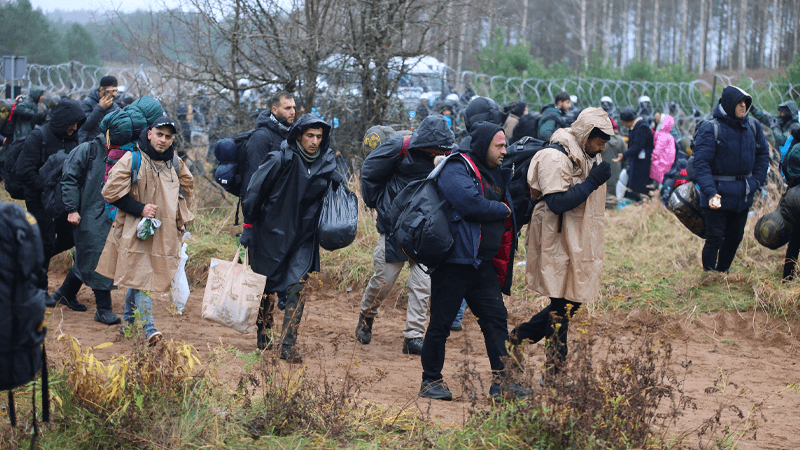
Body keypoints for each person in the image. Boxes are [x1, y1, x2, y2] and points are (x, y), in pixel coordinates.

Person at [419, 121, 524, 401]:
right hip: (455, 262)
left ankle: (503, 382)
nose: (505, 150)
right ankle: (430, 381)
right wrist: (501, 209)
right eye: (499, 145)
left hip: (482, 264)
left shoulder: (495, 173)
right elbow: (469, 203)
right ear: (483, 145)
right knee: (441, 324)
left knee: (496, 321)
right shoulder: (456, 167)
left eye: (505, 144)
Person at [511, 107, 614, 380]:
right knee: (562, 306)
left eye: (605, 141)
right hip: (554, 239)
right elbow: (556, 203)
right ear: (585, 134)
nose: (602, 146)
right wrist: (593, 181)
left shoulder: (587, 154)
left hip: (577, 238)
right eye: (599, 140)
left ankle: (521, 340)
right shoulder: (554, 157)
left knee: (571, 302)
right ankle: (553, 368)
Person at [240, 113, 344, 362]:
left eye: (319, 136)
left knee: (297, 287)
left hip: (303, 237)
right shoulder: (280, 158)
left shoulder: (326, 163)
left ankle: (288, 345)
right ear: (299, 135)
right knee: (267, 287)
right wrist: (248, 226)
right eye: (310, 135)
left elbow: (334, 193)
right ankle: (263, 335)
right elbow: (254, 192)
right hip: (271, 233)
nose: (315, 141)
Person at [357, 115, 455, 355]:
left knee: (422, 285)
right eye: (438, 147)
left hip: (425, 230)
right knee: (384, 280)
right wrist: (378, 204)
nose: (441, 150)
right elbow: (369, 169)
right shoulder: (399, 146)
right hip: (394, 228)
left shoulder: (447, 156)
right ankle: (366, 316)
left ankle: (413, 336)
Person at [96, 117, 194, 345]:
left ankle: (128, 325)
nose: (163, 140)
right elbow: (110, 193)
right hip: (135, 230)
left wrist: (181, 223)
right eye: (159, 134)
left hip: (164, 232)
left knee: (139, 276)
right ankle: (149, 328)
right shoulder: (133, 158)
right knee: (143, 276)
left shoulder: (176, 164)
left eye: (168, 137)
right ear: (149, 134)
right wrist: (140, 208)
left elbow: (186, 193)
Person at [58, 114, 132, 326]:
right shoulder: (87, 150)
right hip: (89, 213)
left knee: (88, 256)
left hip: (111, 213)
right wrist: (72, 209)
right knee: (99, 256)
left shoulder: (125, 153)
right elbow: (69, 179)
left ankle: (65, 293)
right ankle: (103, 309)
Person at [15, 98, 86, 308]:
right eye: (72, 123)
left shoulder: (73, 137)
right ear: (63, 119)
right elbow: (24, 171)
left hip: (62, 199)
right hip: (38, 198)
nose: (75, 127)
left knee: (69, 237)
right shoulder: (38, 136)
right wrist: (45, 189)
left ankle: (30, 258)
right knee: (45, 240)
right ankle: (40, 289)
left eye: (77, 124)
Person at [693, 86, 769, 273]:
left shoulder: (753, 126)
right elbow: (701, 164)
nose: (744, 106)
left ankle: (723, 272)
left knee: (735, 237)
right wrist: (710, 192)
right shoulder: (710, 128)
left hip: (743, 193)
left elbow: (763, 155)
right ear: (729, 103)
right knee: (715, 238)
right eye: (739, 102)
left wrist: (756, 182)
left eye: (746, 102)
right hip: (717, 194)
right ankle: (710, 276)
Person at [240, 91, 296, 197]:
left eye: (293, 107)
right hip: (265, 205)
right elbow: (253, 177)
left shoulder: (293, 134)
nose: (292, 112)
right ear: (274, 110)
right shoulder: (261, 137)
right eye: (287, 108)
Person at [614, 107, 654, 201]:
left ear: (628, 121)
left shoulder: (641, 127)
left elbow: (637, 146)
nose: (624, 124)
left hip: (641, 165)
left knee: (637, 188)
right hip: (637, 162)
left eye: (624, 122)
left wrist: (624, 155)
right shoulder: (636, 126)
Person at [79, 76, 120, 144]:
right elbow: (85, 126)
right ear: (102, 89)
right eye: (111, 91)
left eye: (116, 91)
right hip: (89, 145)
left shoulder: (115, 106)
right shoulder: (87, 103)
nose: (114, 94)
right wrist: (100, 108)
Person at [650, 113, 676, 186]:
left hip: (662, 160)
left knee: (657, 172)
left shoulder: (663, 135)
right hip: (665, 159)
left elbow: (659, 147)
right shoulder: (665, 134)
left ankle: (656, 186)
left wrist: (653, 156)